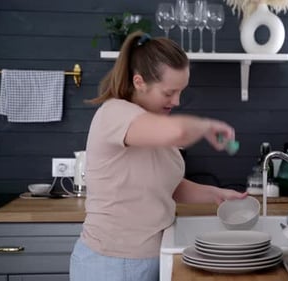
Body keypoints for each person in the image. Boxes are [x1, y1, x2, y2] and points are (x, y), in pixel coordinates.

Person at [69, 31, 247, 281]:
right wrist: (206, 127)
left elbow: (166, 186)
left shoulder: (152, 124)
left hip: (148, 259)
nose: (176, 100)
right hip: (111, 264)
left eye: (181, 91)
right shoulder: (115, 113)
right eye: (168, 92)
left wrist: (215, 194)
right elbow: (180, 132)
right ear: (139, 82)